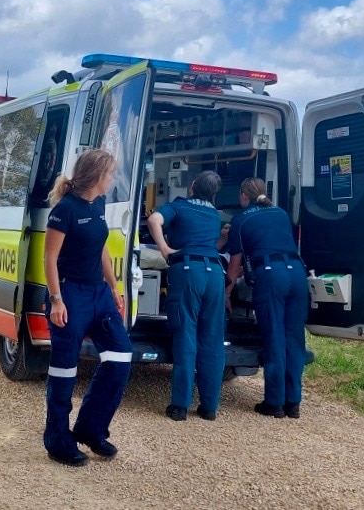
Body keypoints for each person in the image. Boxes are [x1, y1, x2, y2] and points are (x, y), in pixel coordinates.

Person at [43, 148, 132, 467]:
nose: (112, 179)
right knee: (64, 370)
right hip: (70, 294)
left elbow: (101, 248)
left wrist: (114, 286)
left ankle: (91, 429)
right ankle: (57, 439)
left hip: (99, 294)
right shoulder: (64, 210)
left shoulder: (99, 204)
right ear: (96, 176)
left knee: (121, 357)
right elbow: (49, 257)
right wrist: (56, 300)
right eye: (110, 174)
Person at [146, 171, 226, 422]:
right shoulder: (214, 214)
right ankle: (209, 407)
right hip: (215, 273)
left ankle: (180, 405)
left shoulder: (178, 206)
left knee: (186, 333)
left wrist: (164, 248)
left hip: (189, 271)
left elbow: (154, 220)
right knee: (212, 339)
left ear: (192, 186)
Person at [225, 177, 308, 419]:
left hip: (272, 277)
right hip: (297, 274)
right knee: (294, 339)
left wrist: (226, 294)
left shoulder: (240, 220)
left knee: (274, 337)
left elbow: (234, 266)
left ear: (243, 195)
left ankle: (274, 403)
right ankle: (293, 402)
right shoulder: (280, 213)